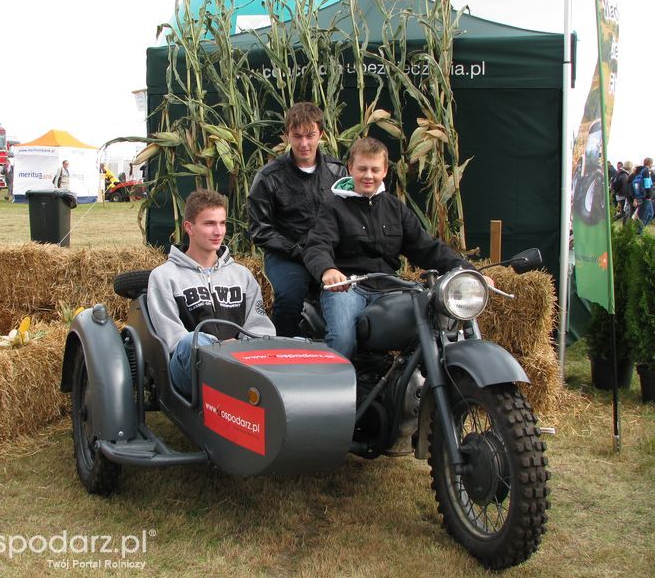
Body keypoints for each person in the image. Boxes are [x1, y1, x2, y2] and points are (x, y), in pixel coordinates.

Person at [302, 137, 477, 358]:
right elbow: (317, 245)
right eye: (362, 168)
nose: (368, 175)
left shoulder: (395, 208)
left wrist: (467, 271)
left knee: (430, 330)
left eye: (375, 169)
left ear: (385, 171)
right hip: (348, 287)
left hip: (389, 289)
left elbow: (426, 247)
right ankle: (337, 391)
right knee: (343, 340)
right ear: (350, 168)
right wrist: (328, 270)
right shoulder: (333, 207)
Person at [147, 189, 275, 397]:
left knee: (294, 341)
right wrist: (219, 349)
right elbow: (173, 338)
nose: (218, 232)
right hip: (188, 369)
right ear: (189, 227)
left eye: (222, 223)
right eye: (209, 224)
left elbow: (259, 327)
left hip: (240, 363)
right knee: (191, 343)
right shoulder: (164, 277)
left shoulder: (242, 275)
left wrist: (242, 349)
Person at [248, 101, 347, 337]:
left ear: (321, 134)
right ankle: (281, 351)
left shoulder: (338, 172)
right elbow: (259, 230)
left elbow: (350, 217)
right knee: (290, 296)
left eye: (310, 135)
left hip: (329, 254)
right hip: (287, 256)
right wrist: (299, 250)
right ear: (287, 136)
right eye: (297, 136)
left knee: (353, 293)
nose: (304, 143)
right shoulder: (268, 177)